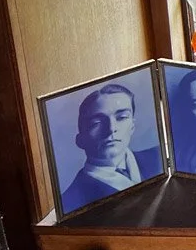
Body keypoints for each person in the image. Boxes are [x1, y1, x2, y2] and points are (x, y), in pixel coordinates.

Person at [60, 84, 162, 215]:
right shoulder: (71, 202)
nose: (111, 128)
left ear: (132, 126)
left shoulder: (160, 158)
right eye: (96, 123)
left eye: (122, 117)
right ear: (80, 140)